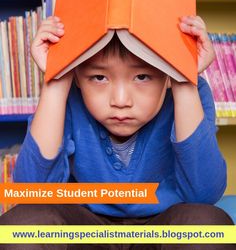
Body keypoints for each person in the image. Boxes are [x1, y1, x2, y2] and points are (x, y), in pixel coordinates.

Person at [0, 14, 235, 250]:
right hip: (85, 231)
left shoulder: (189, 92)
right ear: (78, 76)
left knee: (209, 228)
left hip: (161, 230)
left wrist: (184, 82)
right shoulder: (67, 94)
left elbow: (204, 194)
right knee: (22, 227)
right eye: (99, 77)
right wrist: (56, 81)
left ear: (167, 75)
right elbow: (31, 195)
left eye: (142, 76)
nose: (121, 100)